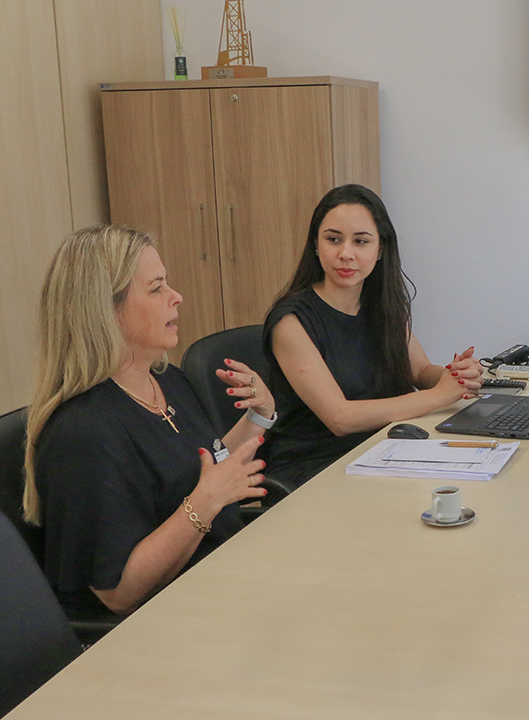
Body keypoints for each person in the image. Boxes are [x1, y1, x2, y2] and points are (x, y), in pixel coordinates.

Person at [23, 225, 273, 620]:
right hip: (159, 625)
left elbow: (209, 464)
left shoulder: (165, 380)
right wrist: (203, 504)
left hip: (220, 579)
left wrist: (259, 415)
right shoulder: (83, 433)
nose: (176, 297)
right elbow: (118, 594)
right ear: (105, 310)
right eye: (156, 288)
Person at [261, 184, 482, 486]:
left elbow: (419, 370)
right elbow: (340, 418)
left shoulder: (382, 305)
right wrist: (438, 396)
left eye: (361, 241)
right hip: (316, 467)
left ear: (380, 249)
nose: (345, 254)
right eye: (333, 239)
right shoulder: (290, 322)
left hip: (382, 449)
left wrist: (456, 376)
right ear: (316, 244)